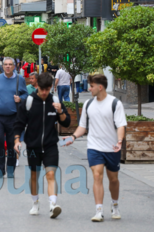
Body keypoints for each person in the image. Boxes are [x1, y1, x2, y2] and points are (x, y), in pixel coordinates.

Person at [64, 74, 127, 222]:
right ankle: (99, 211)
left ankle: (115, 204)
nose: (89, 88)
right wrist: (73, 137)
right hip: (94, 147)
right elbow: (82, 126)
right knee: (97, 175)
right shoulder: (88, 104)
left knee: (113, 179)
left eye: (91, 86)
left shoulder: (115, 103)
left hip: (112, 148)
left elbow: (121, 125)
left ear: (100, 87)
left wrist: (119, 141)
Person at [14, 72, 71, 219]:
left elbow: (66, 122)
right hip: (33, 146)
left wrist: (60, 111)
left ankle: (53, 205)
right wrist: (16, 140)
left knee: (50, 174)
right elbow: (19, 123)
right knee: (35, 175)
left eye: (47, 89)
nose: (45, 92)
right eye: (42, 89)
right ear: (37, 86)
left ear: (51, 87)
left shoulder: (56, 101)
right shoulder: (29, 101)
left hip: (51, 145)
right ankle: (35, 203)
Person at [0, 57, 28, 178]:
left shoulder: (20, 79)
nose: (8, 66)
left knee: (11, 144)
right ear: (2, 66)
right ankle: (0, 169)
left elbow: (26, 94)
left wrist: (20, 99)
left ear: (14, 66)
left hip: (14, 117)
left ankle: (10, 169)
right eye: (6, 64)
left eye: (10, 64)